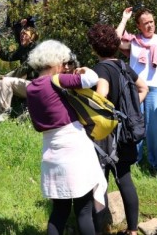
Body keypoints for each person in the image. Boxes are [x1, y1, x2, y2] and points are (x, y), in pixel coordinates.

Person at [24, 39, 107, 235]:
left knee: (59, 211)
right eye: (64, 62)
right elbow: (92, 79)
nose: (66, 66)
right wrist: (82, 70)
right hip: (73, 149)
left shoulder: (31, 87)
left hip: (50, 149)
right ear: (55, 62)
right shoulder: (57, 80)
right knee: (84, 210)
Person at [87, 24, 148, 235]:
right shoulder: (123, 65)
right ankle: (132, 230)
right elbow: (144, 88)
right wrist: (129, 111)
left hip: (106, 134)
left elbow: (102, 93)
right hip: (126, 131)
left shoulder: (100, 69)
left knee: (100, 182)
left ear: (94, 48)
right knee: (124, 178)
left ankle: (100, 228)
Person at [115, 6, 157, 173]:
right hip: (135, 88)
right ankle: (133, 163)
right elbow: (115, 39)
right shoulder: (134, 41)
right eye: (146, 23)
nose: (150, 25)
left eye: (152, 22)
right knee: (133, 125)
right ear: (139, 26)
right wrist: (124, 19)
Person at [0, 27, 39, 122]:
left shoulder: (37, 50)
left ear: (32, 38)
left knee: (5, 80)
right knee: (1, 82)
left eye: (25, 35)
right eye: (21, 34)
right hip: (28, 84)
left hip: (38, 86)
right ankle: (4, 113)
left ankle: (8, 113)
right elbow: (9, 56)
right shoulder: (23, 49)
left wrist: (8, 76)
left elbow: (24, 68)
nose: (22, 36)